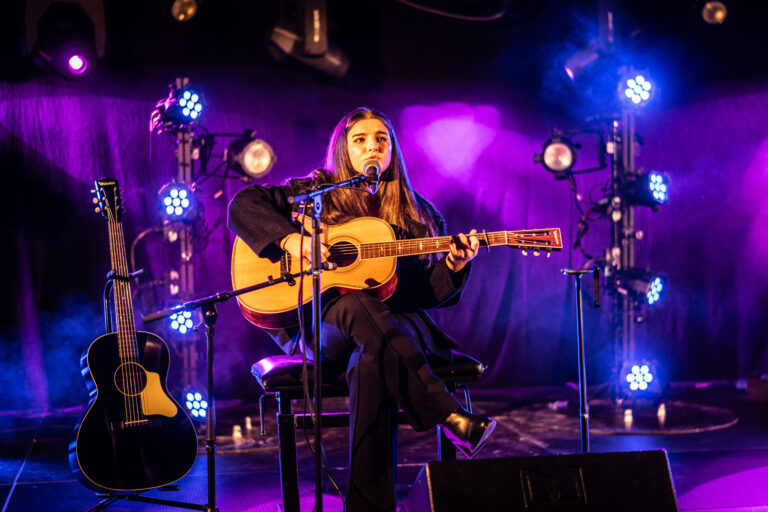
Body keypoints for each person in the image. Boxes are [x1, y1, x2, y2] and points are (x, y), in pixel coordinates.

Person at [228, 107, 496, 512]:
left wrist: (455, 266)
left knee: (368, 362)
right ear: (344, 150)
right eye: (361, 140)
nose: (372, 146)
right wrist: (293, 242)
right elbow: (243, 204)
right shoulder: (314, 192)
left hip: (395, 326)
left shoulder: (419, 214)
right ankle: (448, 415)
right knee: (354, 305)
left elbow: (424, 294)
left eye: (381, 140)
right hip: (320, 328)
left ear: (392, 151)